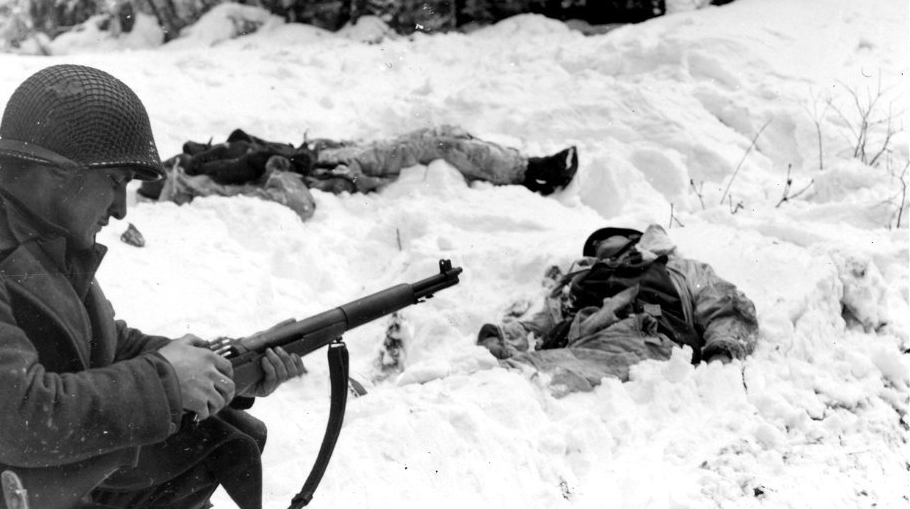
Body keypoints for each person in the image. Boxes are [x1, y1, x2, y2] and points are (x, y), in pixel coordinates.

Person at [0, 64, 307, 509]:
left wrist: (220, 365)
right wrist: (168, 380)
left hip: (15, 494)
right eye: (115, 182)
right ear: (53, 172)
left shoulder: (28, 234)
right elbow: (17, 416)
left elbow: (105, 346)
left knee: (206, 445)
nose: (120, 210)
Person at [477, 224, 759, 396]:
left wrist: (722, 351)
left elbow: (725, 304)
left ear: (633, 239)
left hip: (646, 334)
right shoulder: (579, 280)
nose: (596, 248)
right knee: (511, 378)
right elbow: (541, 325)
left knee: (522, 382)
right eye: (593, 248)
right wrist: (501, 338)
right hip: (585, 342)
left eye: (603, 241)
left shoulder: (681, 269)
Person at [137, 126, 580, 220]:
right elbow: (289, 196)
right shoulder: (198, 181)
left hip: (325, 154)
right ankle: (529, 172)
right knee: (432, 141)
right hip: (330, 166)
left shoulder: (199, 167)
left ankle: (519, 165)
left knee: (441, 133)